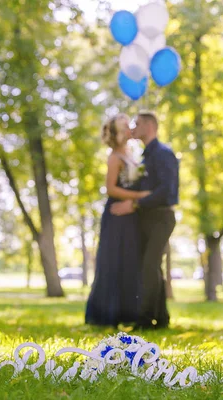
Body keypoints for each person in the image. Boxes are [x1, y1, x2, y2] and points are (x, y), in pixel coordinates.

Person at [111, 112, 179, 330]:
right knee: (151, 268)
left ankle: (145, 320)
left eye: (137, 123)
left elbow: (167, 192)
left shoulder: (163, 154)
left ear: (149, 126)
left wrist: (135, 204)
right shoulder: (144, 157)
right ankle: (161, 319)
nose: (133, 127)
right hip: (145, 219)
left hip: (161, 217)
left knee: (149, 266)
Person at [85, 114, 151, 327]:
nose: (130, 129)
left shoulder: (131, 153)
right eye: (125, 127)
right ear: (119, 133)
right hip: (116, 216)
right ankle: (106, 314)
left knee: (129, 262)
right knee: (113, 261)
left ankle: (128, 313)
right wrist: (140, 197)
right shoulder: (114, 157)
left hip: (131, 216)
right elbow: (110, 188)